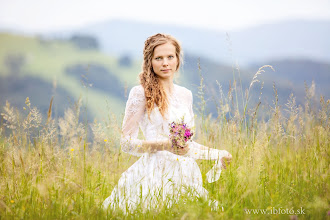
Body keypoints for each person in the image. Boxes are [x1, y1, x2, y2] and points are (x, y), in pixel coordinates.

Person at [102, 33, 232, 214]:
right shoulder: (140, 93)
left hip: (186, 174)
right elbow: (126, 143)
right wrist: (165, 145)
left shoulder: (186, 94)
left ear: (178, 59)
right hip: (153, 173)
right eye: (159, 58)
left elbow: (187, 144)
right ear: (150, 61)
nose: (165, 63)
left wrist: (217, 153)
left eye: (170, 57)